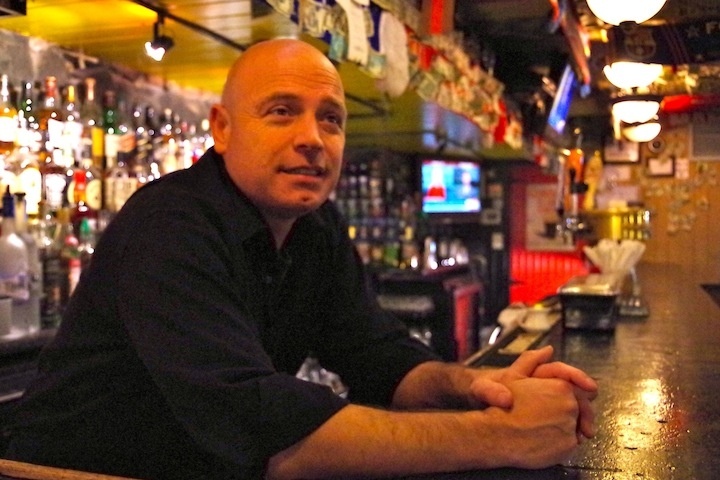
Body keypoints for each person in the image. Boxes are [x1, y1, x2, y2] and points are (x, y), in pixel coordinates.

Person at [4, 38, 597, 479]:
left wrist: (480, 389)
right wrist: (501, 437)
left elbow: (378, 356)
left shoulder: (314, 227)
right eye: (282, 111)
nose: (313, 138)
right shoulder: (171, 225)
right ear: (223, 129)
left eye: (331, 118)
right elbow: (267, 432)